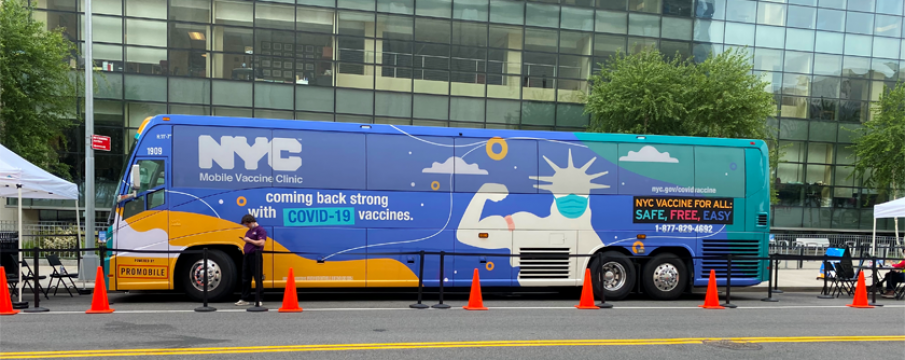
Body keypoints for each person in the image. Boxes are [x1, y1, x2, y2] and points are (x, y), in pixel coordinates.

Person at [235, 214, 267, 306]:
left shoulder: (260, 230)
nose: (247, 226)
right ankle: (245, 298)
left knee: (257, 277)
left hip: (255, 255)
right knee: (245, 277)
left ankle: (259, 298)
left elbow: (261, 242)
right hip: (247, 255)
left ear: (252, 222)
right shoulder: (249, 231)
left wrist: (249, 241)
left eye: (247, 224)